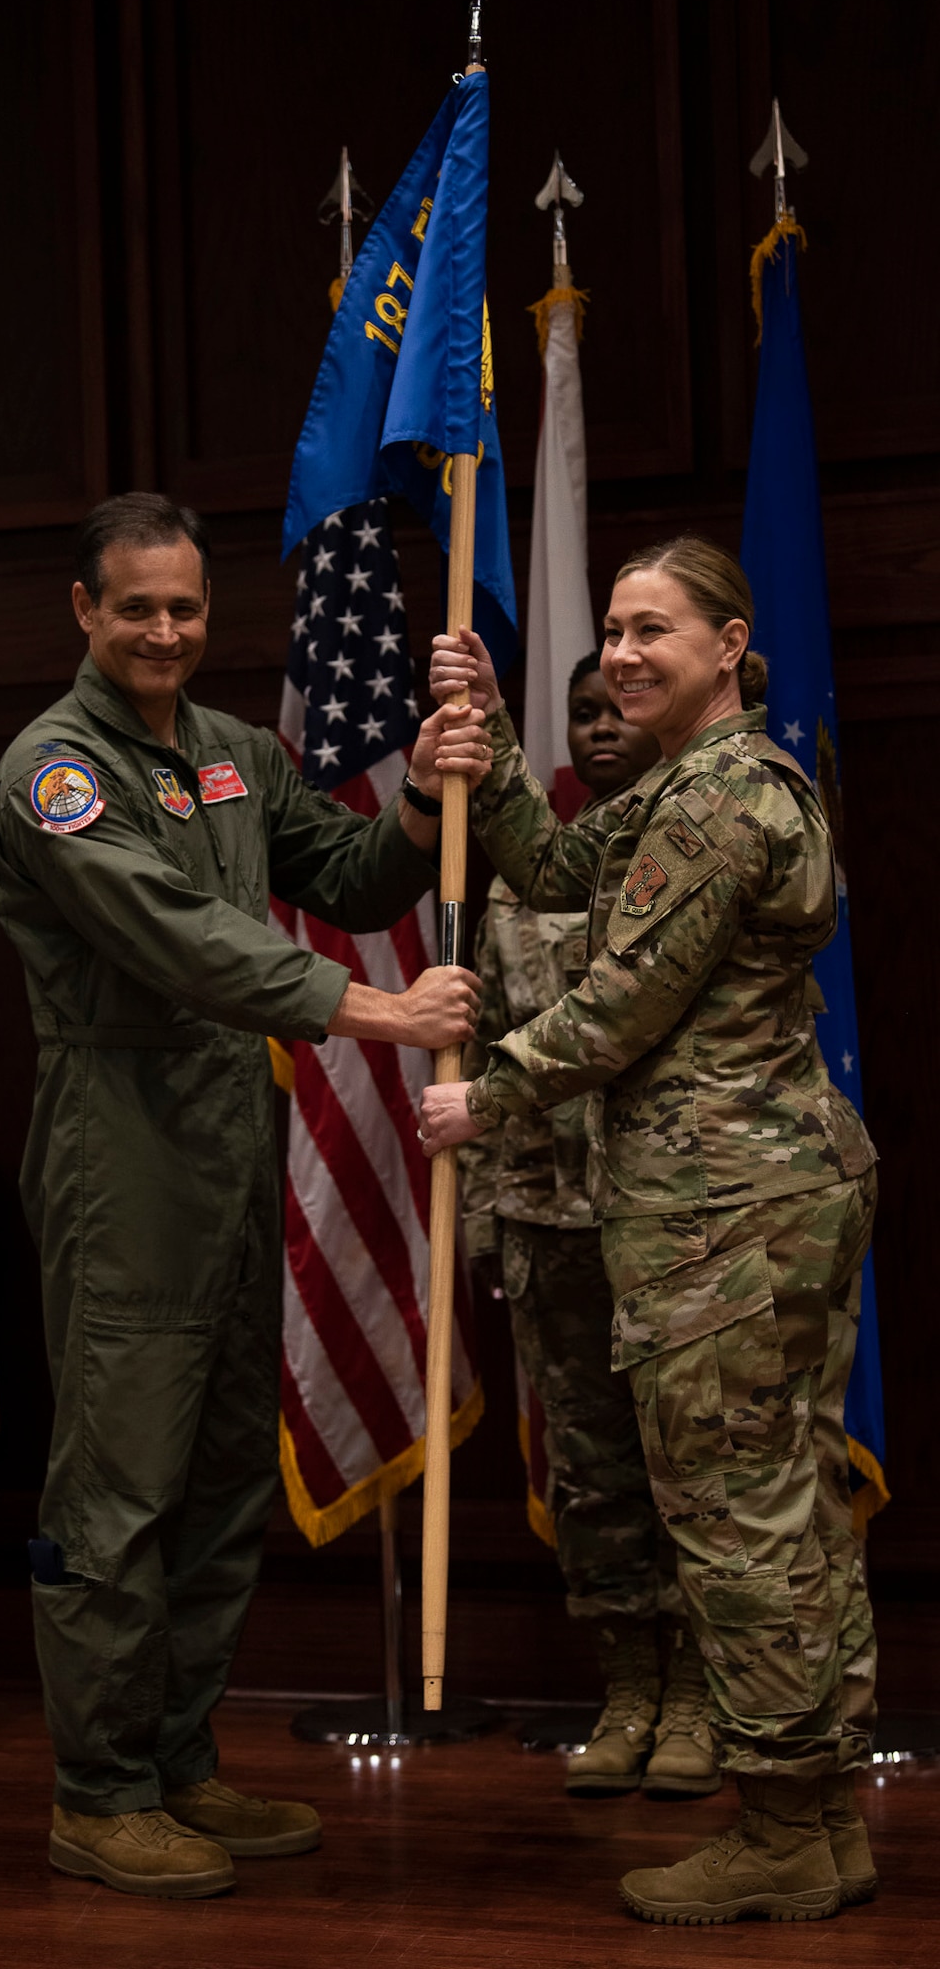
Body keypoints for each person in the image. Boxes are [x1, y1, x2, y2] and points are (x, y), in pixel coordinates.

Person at [0, 491, 490, 1901]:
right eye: (135, 606)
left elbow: (342, 877)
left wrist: (423, 796)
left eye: (186, 607)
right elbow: (183, 939)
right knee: (120, 1493)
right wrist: (371, 1016)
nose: (164, 631)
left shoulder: (230, 753)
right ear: (83, 609)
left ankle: (180, 1764)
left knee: (213, 1482)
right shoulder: (55, 774)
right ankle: (99, 1792)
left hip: (226, 1144)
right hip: (120, 1148)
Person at [424, 536, 879, 1926]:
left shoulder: (724, 798)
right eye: (613, 631)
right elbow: (557, 872)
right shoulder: (679, 787)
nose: (621, 655)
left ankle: (788, 1826)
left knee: (740, 1517)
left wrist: (483, 1097)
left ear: (731, 646)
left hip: (725, 1211)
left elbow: (619, 1002)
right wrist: (490, 731)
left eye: (654, 632)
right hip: (738, 1198)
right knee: (783, 1504)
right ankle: (823, 1816)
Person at [461, 661, 721, 1798]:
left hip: (676, 1214)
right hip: (548, 1216)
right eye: (582, 714)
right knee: (593, 1468)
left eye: (618, 706)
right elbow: (477, 1054)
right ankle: (628, 1685)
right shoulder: (520, 885)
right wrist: (481, 1214)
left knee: (697, 1462)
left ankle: (706, 1694)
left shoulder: (698, 845)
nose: (602, 726)